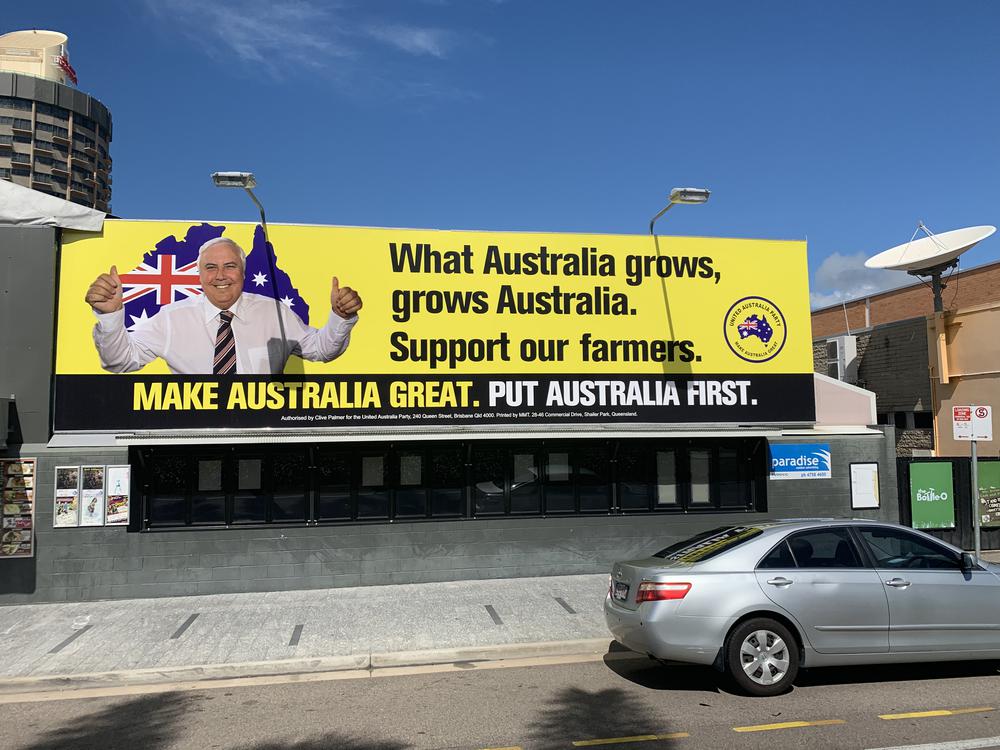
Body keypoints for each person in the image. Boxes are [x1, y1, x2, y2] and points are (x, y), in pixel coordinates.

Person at [85, 237, 363, 375]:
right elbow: (119, 361)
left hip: (262, 437)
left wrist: (340, 317)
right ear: (199, 275)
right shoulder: (172, 319)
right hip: (193, 440)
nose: (220, 276)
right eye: (211, 267)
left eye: (230, 266)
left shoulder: (274, 313)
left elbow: (322, 350)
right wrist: (110, 317)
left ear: (243, 273)